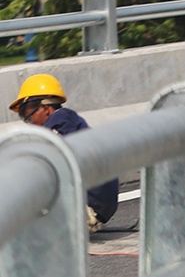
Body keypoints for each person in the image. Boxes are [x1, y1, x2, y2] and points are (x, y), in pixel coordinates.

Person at [11, 74, 119, 231]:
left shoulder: (57, 130)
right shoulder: (70, 123)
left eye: (27, 114)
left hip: (87, 206)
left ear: (46, 109)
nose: (28, 121)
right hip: (99, 205)